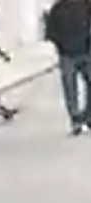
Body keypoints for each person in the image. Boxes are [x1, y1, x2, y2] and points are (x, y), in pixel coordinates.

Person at [45, 0, 91, 132]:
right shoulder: (58, 8)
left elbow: (50, 33)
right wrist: (61, 46)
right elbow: (50, 32)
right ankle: (77, 118)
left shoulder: (85, 5)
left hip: (84, 52)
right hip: (69, 54)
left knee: (72, 87)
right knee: (70, 88)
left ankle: (85, 116)